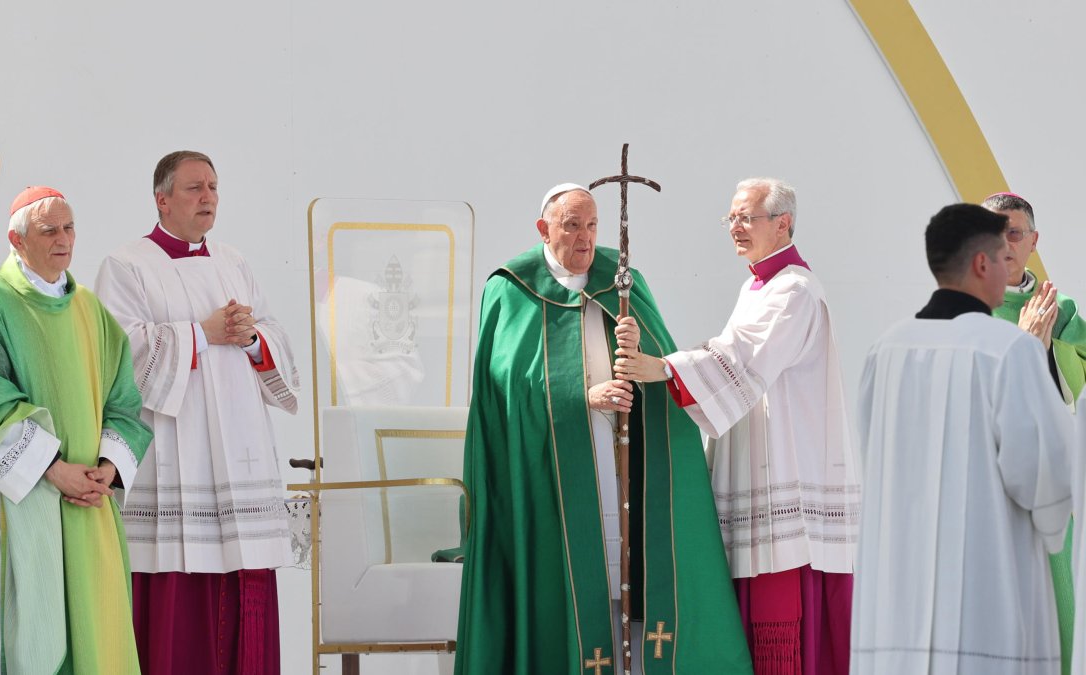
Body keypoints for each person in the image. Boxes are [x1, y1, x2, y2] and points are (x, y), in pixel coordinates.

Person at [454, 184, 751, 674]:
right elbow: (503, 386)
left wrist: (640, 355)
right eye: (572, 225)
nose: (585, 238)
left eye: (592, 225)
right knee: (577, 582)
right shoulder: (510, 288)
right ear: (543, 229)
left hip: (624, 467)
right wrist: (579, 399)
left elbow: (659, 367)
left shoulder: (622, 281)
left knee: (626, 576)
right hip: (552, 473)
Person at [614, 177, 858, 673]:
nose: (735, 228)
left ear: (783, 223)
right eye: (731, 218)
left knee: (782, 605)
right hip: (758, 456)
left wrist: (663, 368)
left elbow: (745, 358)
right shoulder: (757, 285)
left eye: (747, 217)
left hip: (786, 462)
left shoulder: (795, 290)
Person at [0, 186, 152, 673]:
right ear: (16, 241)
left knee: (95, 635)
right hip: (15, 500)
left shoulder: (92, 312)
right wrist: (52, 469)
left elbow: (124, 402)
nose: (64, 240)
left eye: (69, 227)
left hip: (87, 502)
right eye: (49, 231)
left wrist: (108, 467)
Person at [95, 151, 302, 674]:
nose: (207, 196)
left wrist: (251, 337)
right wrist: (202, 334)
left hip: (239, 452)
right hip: (174, 450)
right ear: (161, 199)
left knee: (243, 587)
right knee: (177, 602)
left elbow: (273, 335)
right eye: (193, 188)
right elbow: (120, 355)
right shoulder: (126, 265)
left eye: (212, 187)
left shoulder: (233, 261)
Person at [852, 203, 1074, 674]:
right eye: (1002, 255)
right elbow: (1045, 478)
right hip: (986, 587)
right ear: (981, 264)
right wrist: (1054, 529)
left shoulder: (886, 348)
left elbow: (874, 453)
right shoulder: (1009, 350)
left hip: (901, 592)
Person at [983, 191, 1085, 675]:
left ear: (1033, 241)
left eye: (1016, 233)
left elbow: (1071, 395)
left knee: (1054, 612)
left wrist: (1045, 347)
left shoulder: (1060, 310)